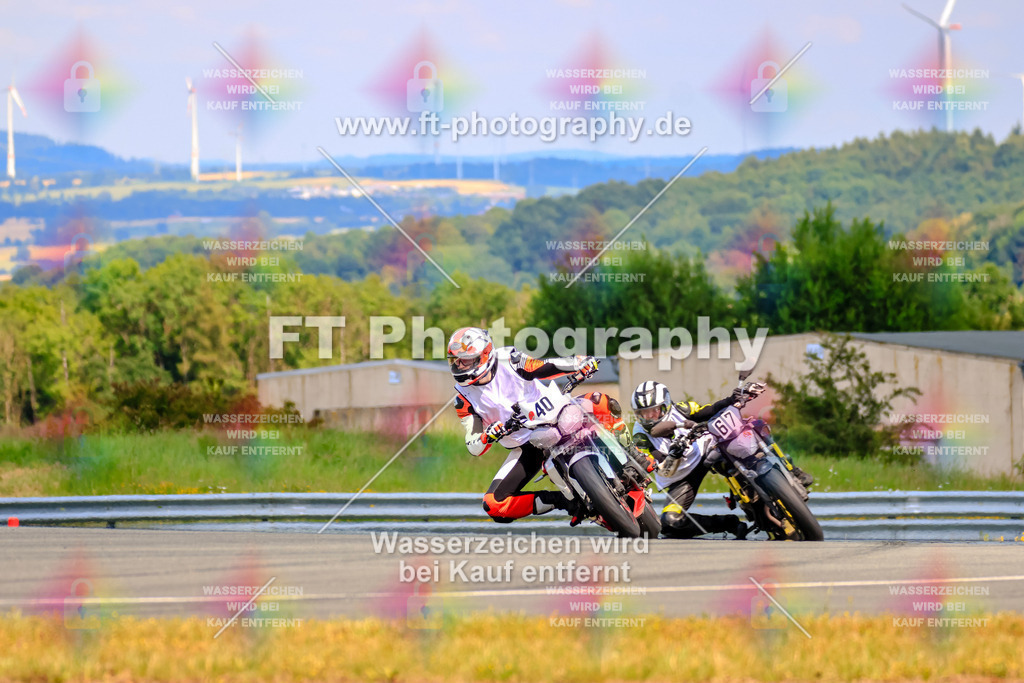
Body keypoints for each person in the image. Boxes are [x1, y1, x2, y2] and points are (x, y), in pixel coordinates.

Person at [447, 326, 599, 523]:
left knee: (599, 401)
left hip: (555, 414)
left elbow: (543, 366)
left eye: (465, 360)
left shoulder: (509, 359)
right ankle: (567, 503)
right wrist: (488, 436)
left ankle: (633, 454)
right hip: (527, 446)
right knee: (494, 504)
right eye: (456, 361)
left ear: (484, 355)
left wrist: (577, 363)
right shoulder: (462, 398)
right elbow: (473, 443)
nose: (460, 366)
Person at [629, 380, 813, 540]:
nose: (649, 417)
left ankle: (792, 471)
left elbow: (708, 410)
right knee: (670, 521)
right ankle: (728, 524)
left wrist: (733, 399)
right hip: (680, 476)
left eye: (653, 411)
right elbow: (658, 464)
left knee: (752, 428)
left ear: (665, 405)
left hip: (705, 450)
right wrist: (672, 455)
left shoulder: (681, 409)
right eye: (643, 413)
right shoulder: (639, 434)